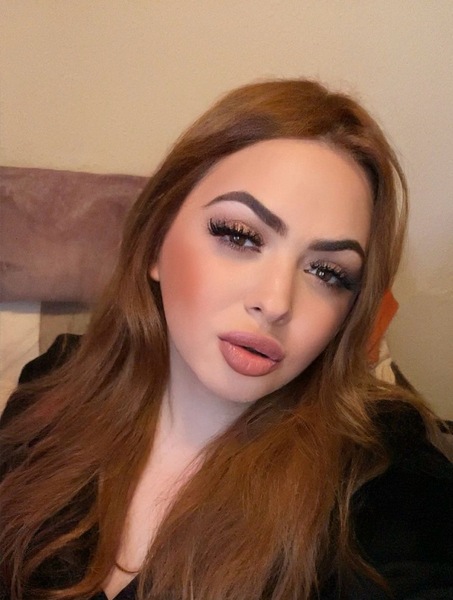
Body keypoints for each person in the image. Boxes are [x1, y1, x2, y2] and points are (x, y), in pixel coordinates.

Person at [0, 79, 452, 600]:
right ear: (155, 243)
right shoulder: (55, 383)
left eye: (328, 272)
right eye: (240, 236)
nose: (276, 302)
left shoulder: (385, 476)